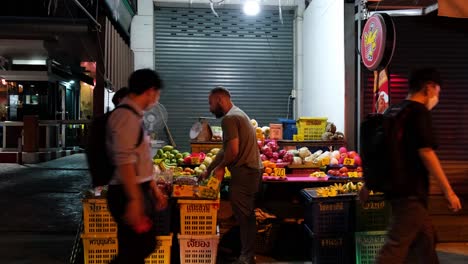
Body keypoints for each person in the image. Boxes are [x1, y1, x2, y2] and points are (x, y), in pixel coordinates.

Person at [360, 67, 462, 264]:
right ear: (429, 88)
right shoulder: (418, 113)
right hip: (411, 194)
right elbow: (427, 152)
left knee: (425, 244)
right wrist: (448, 192)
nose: (437, 96)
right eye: (437, 90)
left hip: (399, 192)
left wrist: (368, 184)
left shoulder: (394, 111)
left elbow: (380, 153)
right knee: (395, 247)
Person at [106, 69, 168, 264]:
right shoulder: (126, 117)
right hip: (126, 191)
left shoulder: (134, 116)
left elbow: (141, 160)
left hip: (134, 190)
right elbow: (125, 161)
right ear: (150, 91)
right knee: (138, 248)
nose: (157, 98)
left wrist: (153, 189)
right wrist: (134, 200)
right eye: (157, 93)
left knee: (137, 247)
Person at [203, 86, 262, 264]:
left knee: (245, 216)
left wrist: (221, 168)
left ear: (220, 100)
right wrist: (210, 168)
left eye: (210, 103)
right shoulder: (238, 114)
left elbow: (233, 151)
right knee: (245, 215)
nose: (210, 108)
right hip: (250, 172)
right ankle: (246, 253)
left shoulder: (229, 119)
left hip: (245, 172)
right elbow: (225, 149)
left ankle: (246, 257)